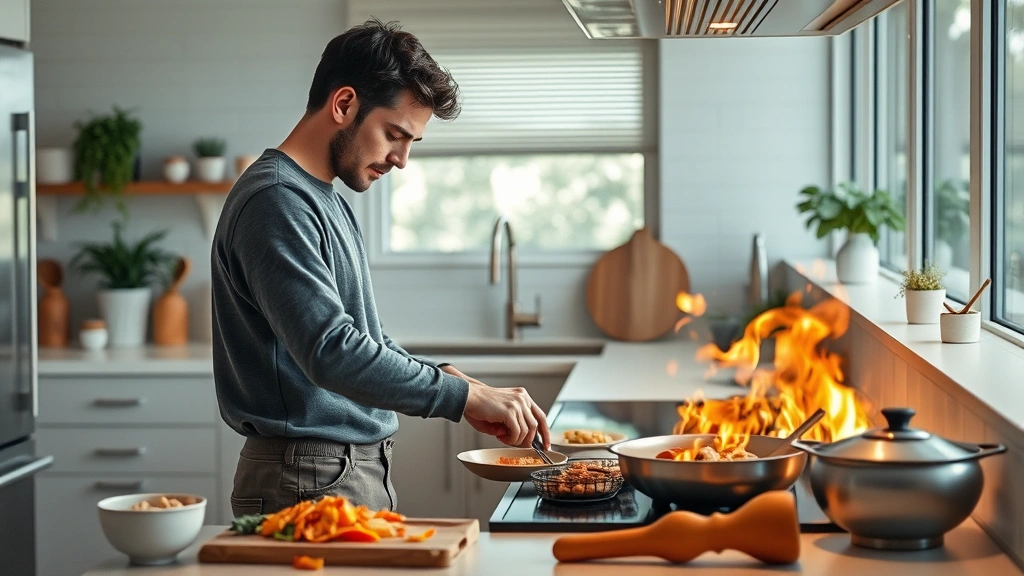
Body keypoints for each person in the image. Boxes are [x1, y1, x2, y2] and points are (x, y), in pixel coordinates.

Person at [211, 18, 550, 517]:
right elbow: (332, 353)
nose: (402, 159)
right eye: (395, 134)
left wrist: (457, 381)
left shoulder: (322, 198)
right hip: (307, 478)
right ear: (344, 104)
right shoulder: (277, 201)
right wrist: (459, 398)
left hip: (337, 472)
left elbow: (361, 336)